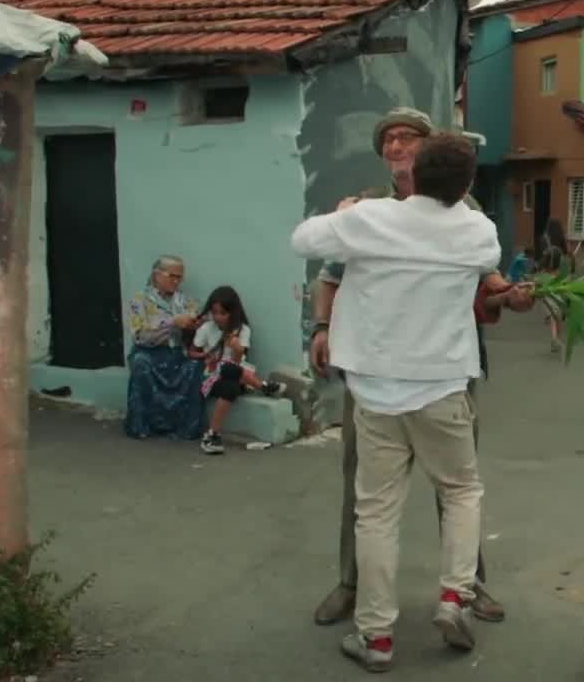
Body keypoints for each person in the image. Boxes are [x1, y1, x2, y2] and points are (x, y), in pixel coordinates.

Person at [307, 109, 531, 631]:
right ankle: (351, 584)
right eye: (387, 139)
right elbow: (330, 275)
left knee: (454, 485)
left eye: (406, 137)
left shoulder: (466, 208)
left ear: (428, 149)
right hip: (374, 370)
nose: (395, 146)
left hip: (443, 372)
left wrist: (510, 296)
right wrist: (320, 328)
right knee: (363, 487)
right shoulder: (366, 207)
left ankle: (467, 587)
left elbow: (488, 282)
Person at [189, 285, 287, 454]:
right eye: (215, 312)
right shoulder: (206, 329)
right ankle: (263, 386)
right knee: (229, 380)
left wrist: (237, 349)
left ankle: (212, 435)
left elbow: (237, 362)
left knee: (230, 374)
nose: (218, 317)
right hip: (211, 378)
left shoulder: (243, 330)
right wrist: (205, 355)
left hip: (236, 376)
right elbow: (191, 352)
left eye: (223, 313)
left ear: (233, 312)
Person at [124, 255, 206, 441]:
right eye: (172, 276)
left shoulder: (185, 301)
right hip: (149, 353)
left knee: (195, 366)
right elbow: (140, 336)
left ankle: (186, 428)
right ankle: (141, 426)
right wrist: (172, 323)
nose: (176, 281)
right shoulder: (140, 300)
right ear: (157, 275)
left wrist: (195, 324)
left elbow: (199, 322)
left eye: (179, 277)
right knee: (140, 363)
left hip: (177, 354)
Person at [538, 219, 573, 351]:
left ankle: (555, 338)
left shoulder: (544, 240)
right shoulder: (563, 240)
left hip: (548, 278)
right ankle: (556, 337)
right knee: (559, 311)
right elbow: (570, 255)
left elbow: (541, 259)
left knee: (553, 310)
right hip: (562, 278)